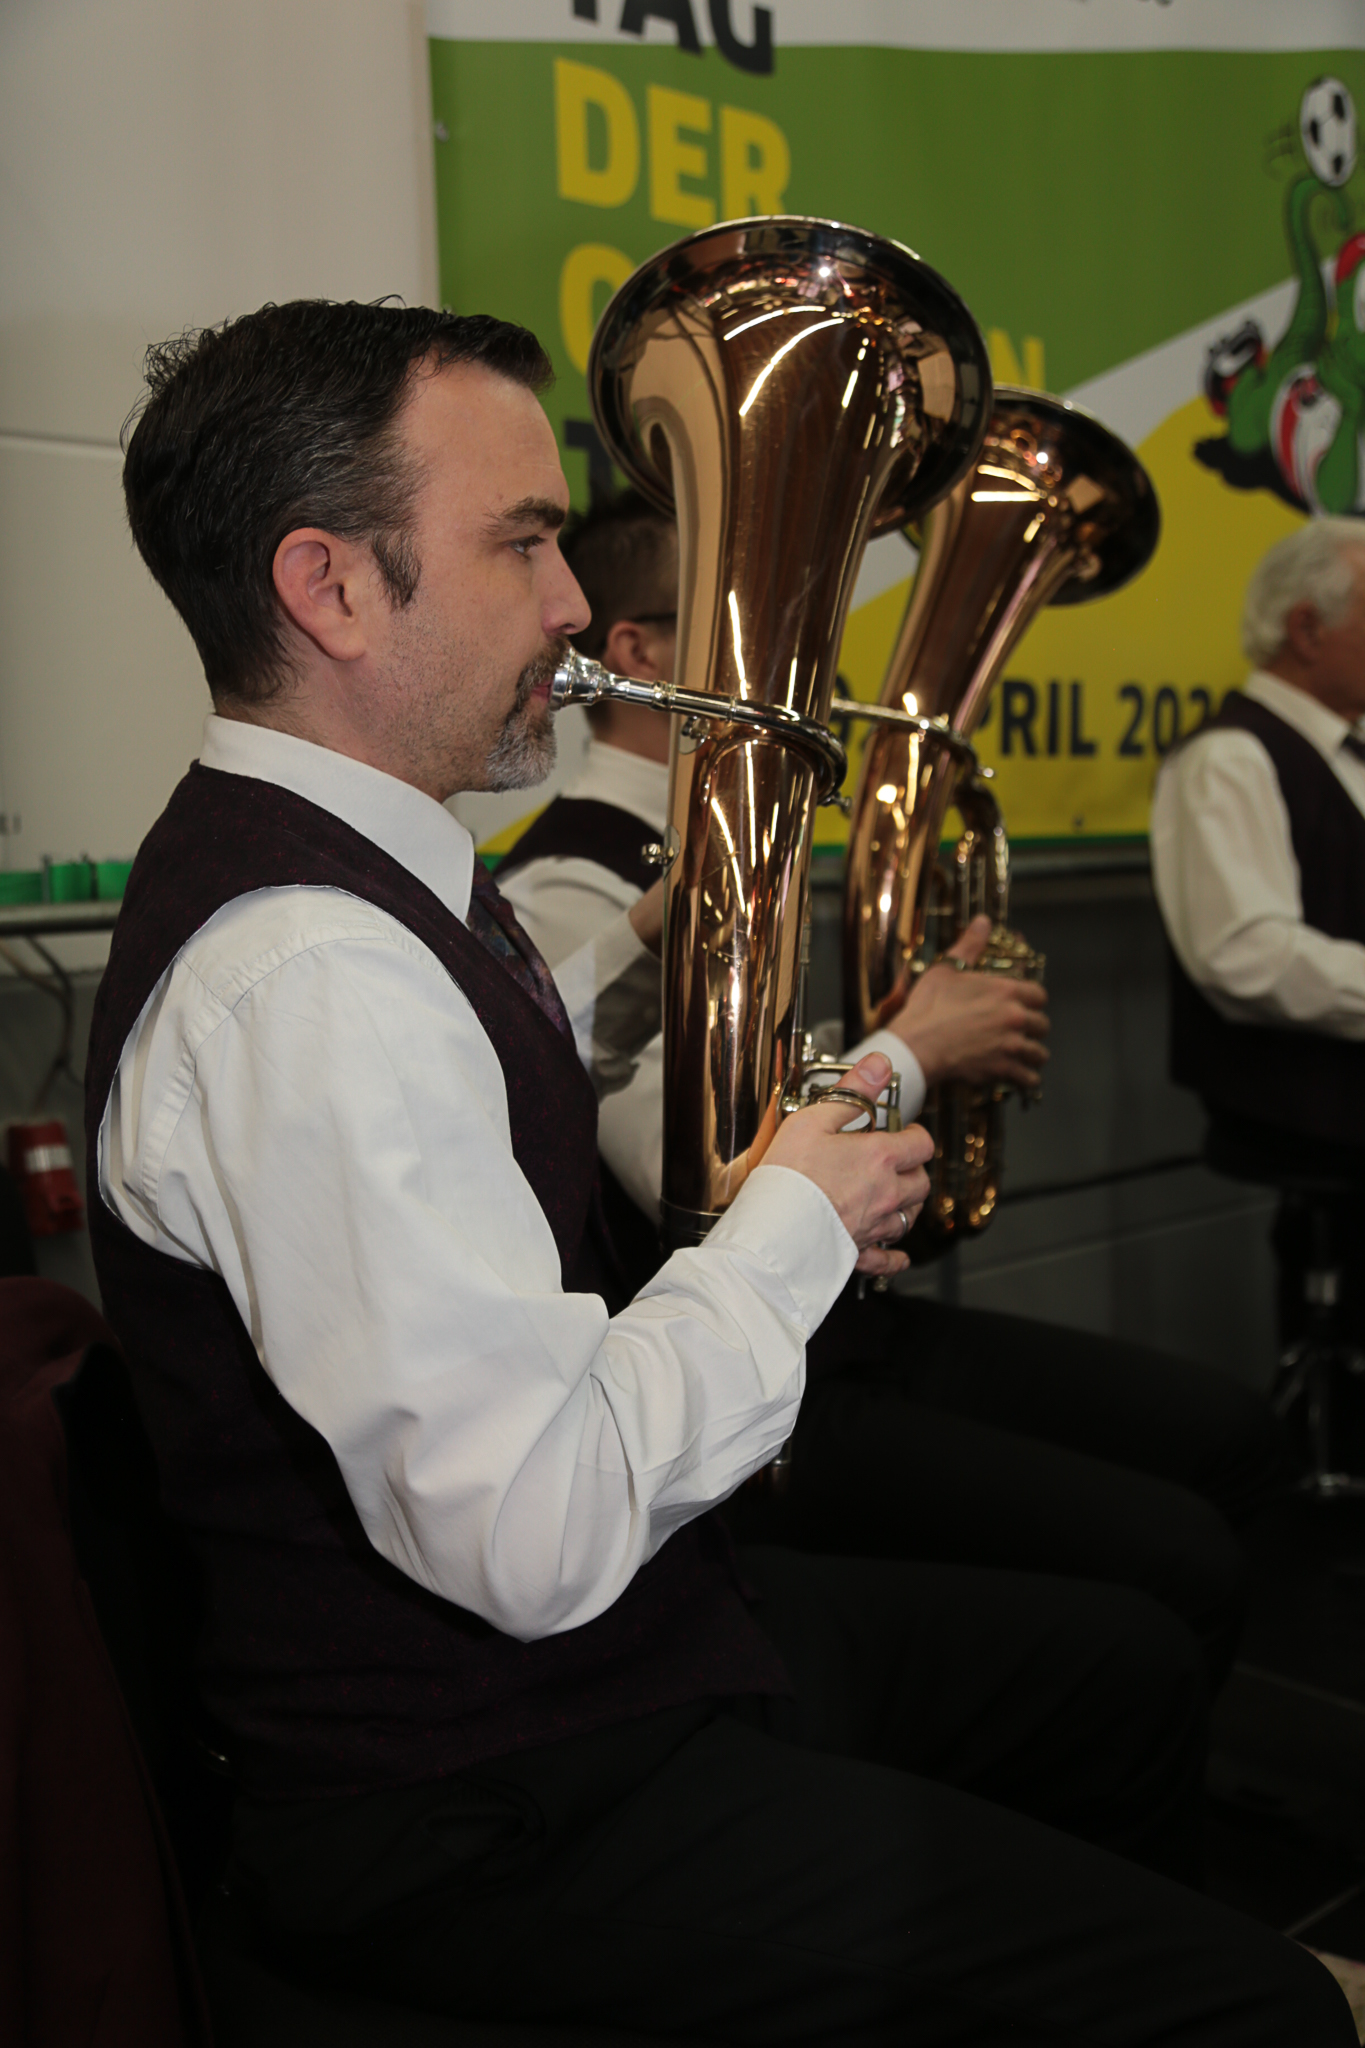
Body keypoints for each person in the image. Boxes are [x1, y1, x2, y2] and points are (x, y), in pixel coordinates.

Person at [86, 300, 1351, 2046]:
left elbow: (512, 1149)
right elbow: (532, 1535)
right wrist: (803, 1210)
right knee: (1264, 2008)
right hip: (485, 1793)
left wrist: (712, 1045)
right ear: (332, 587)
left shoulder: (370, 888)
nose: (566, 603)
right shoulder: (311, 971)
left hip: (604, 1658)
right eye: (522, 541)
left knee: (1117, 1674)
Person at [498, 489, 1290, 1694]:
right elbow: (694, 1176)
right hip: (765, 1392)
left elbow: (754, 1080)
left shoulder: (709, 843)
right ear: (638, 654)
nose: (805, 678)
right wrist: (913, 1046)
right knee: (1176, 1563)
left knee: (1233, 1441)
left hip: (843, 1325)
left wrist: (902, 1026)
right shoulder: (566, 879)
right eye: (758, 641)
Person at [1152, 517, 1365, 1177]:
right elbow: (1246, 956)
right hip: (1314, 1130)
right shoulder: (1229, 758)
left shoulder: (1345, 750)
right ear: (1307, 629)